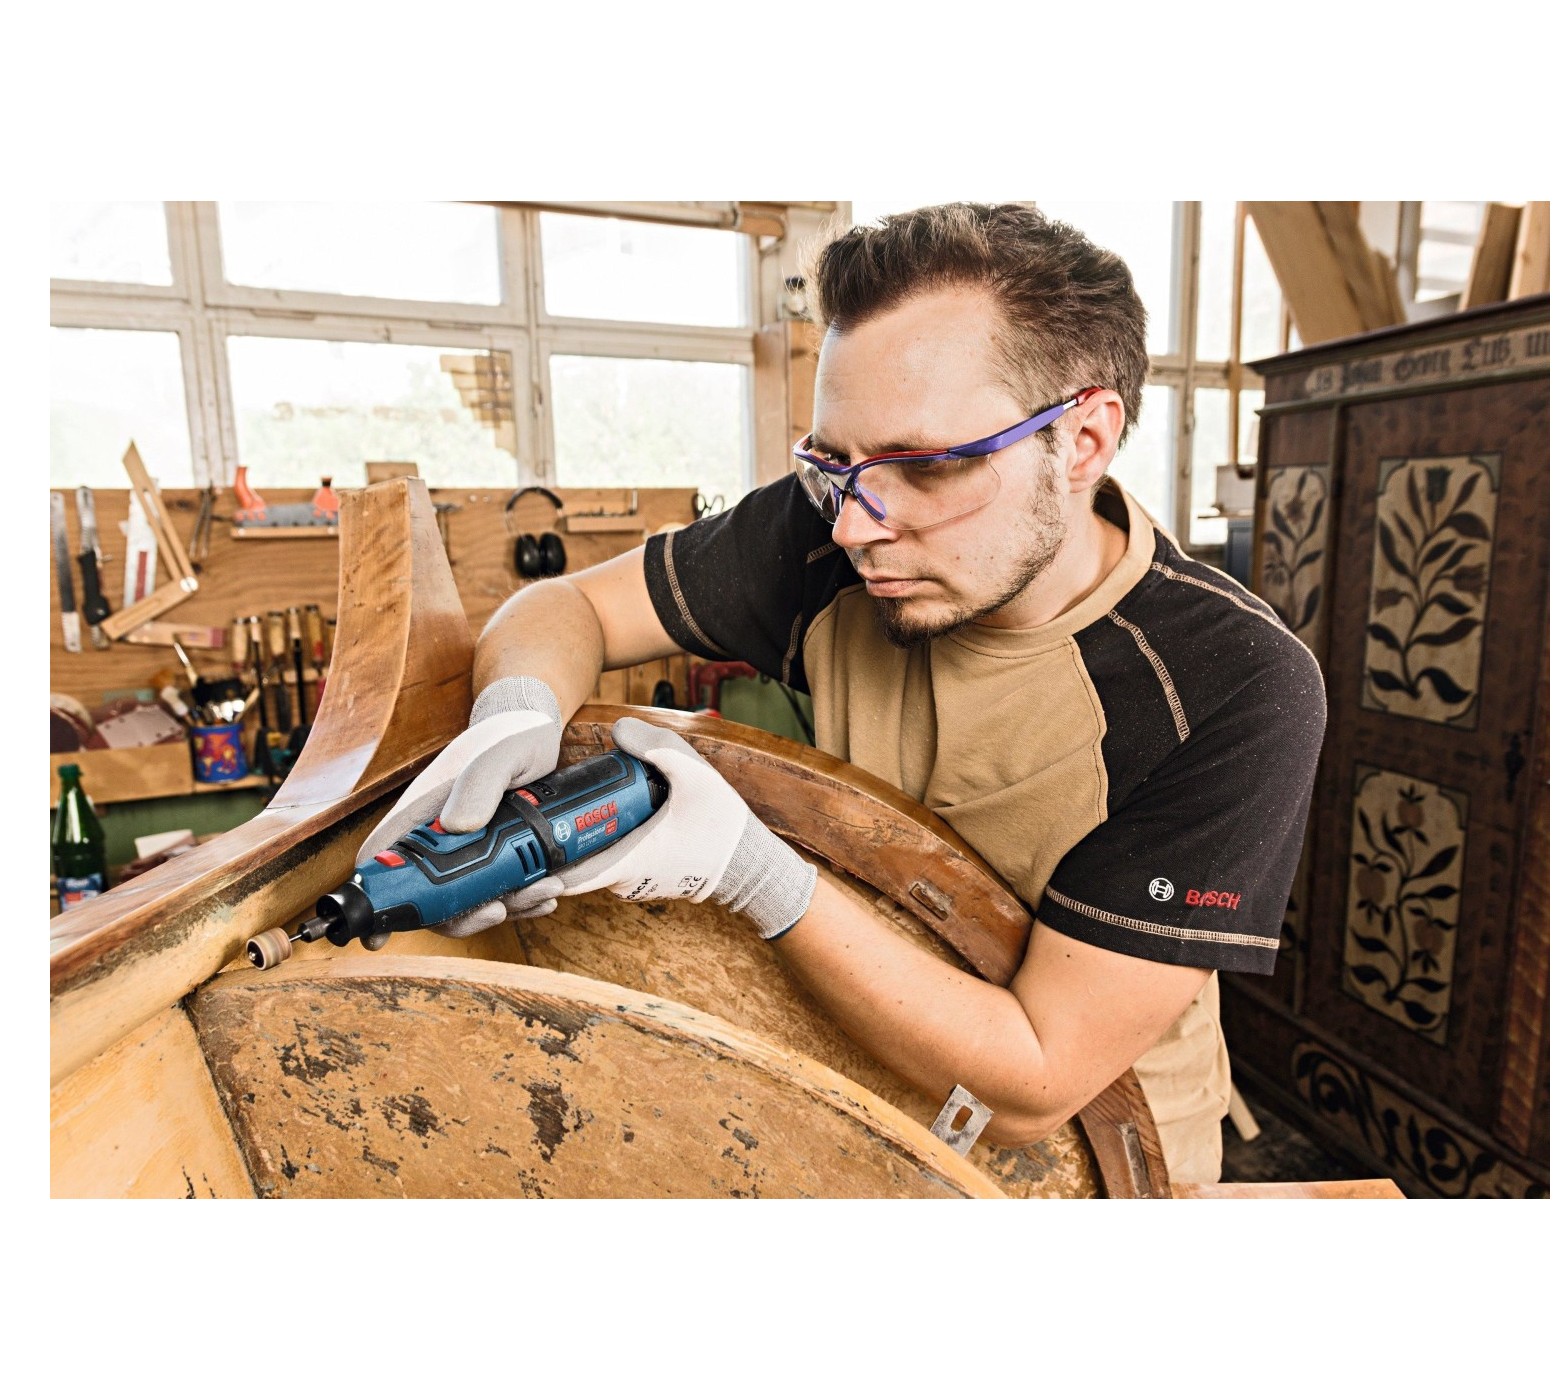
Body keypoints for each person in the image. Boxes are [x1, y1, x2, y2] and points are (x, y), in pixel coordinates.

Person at [359, 202, 1327, 1184]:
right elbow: (566, 606)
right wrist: (516, 712)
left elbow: (1034, 1080)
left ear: (1081, 442)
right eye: (832, 462)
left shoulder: (1236, 686)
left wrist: (751, 872)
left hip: (1091, 1162)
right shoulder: (832, 521)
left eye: (928, 466)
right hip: (856, 1096)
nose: (858, 527)